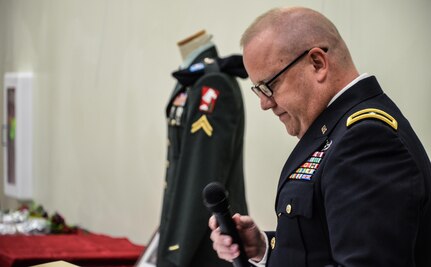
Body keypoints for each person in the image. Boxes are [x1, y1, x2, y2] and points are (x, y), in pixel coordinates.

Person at [209, 7, 431, 267]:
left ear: (317, 63)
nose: (265, 104)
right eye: (258, 91)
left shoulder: (366, 139)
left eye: (269, 86)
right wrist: (264, 249)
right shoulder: (339, 132)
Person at [157, 30, 249, 267]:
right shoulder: (192, 79)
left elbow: (201, 174)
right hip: (188, 230)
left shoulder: (213, 83)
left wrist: (175, 254)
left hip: (204, 244)